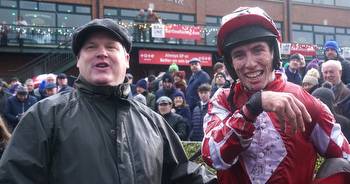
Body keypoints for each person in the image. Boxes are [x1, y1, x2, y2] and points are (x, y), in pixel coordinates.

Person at [0, 18, 215, 184]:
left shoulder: (153, 122)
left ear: (127, 60)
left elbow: (183, 174)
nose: (101, 53)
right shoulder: (45, 116)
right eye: (91, 47)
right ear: (78, 60)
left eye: (111, 47)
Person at [201, 7, 350, 184]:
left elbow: (345, 157)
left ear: (274, 53)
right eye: (239, 54)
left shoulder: (307, 102)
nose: (250, 64)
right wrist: (251, 109)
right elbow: (213, 156)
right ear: (231, 64)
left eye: (258, 50)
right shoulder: (222, 100)